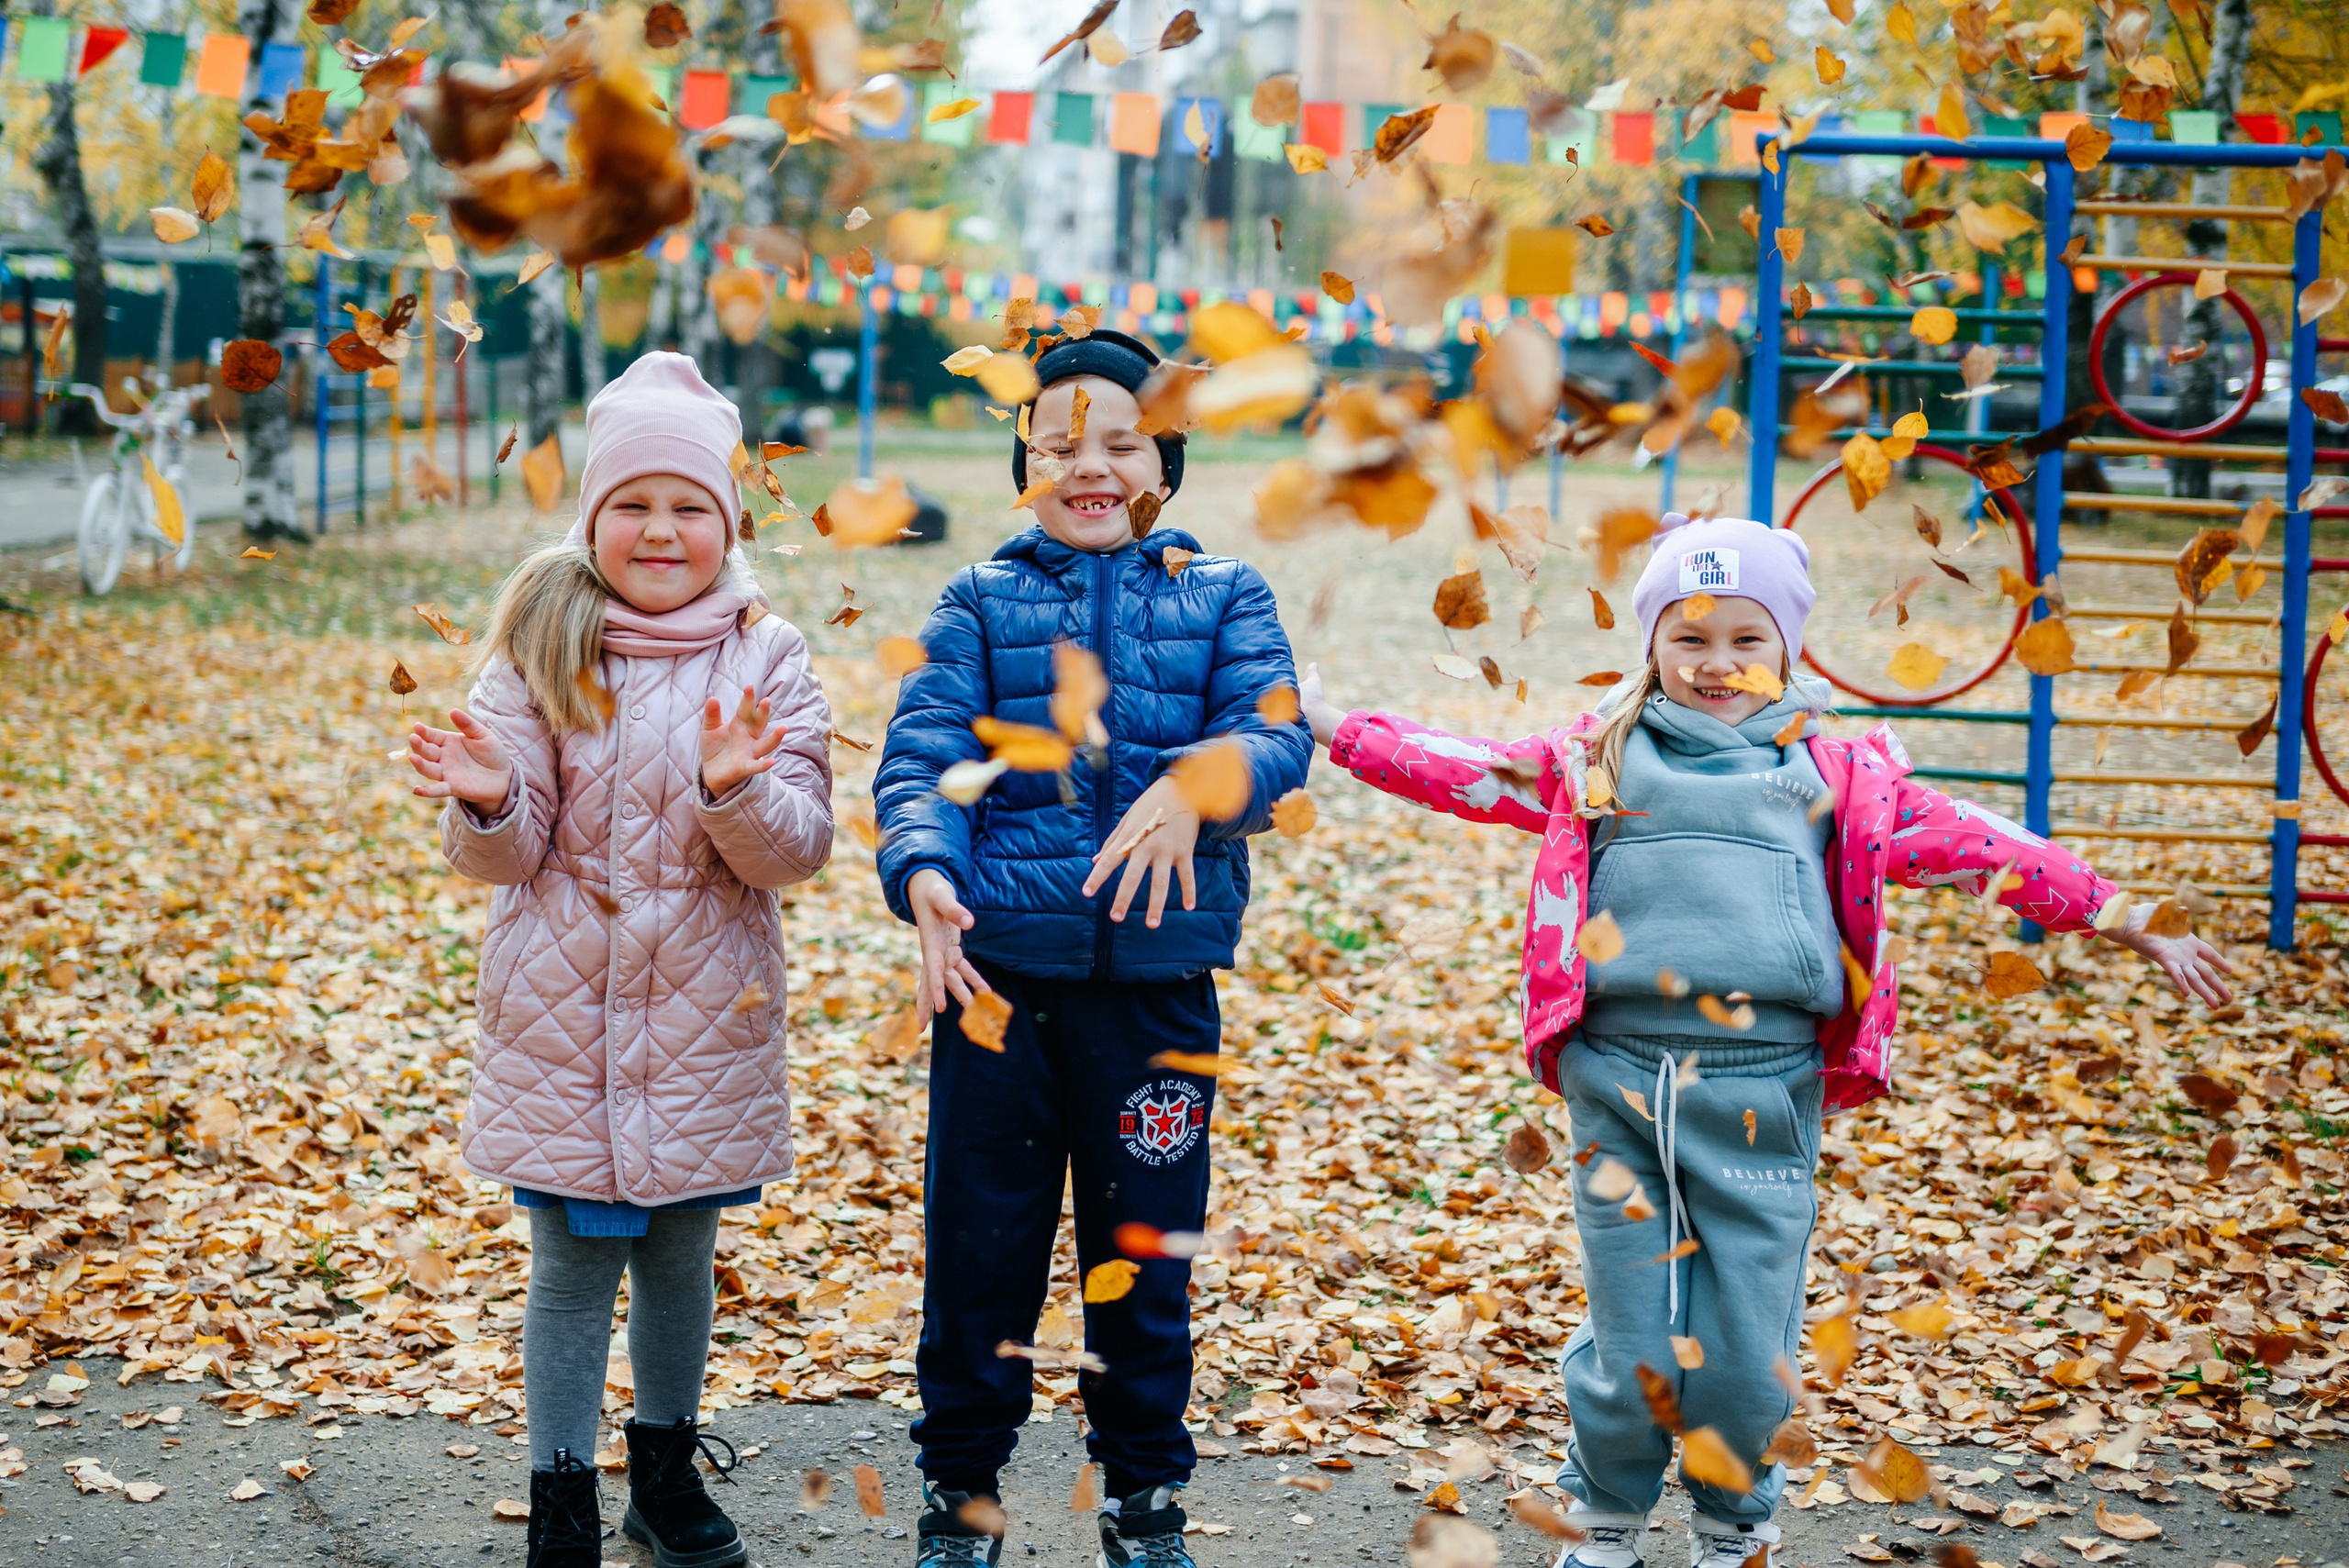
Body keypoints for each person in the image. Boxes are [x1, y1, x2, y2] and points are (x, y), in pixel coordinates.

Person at [1298, 512, 2232, 1568]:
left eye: (1746, 638)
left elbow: (1982, 844)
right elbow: (1463, 768)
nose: (1716, 662)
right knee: (1633, 1336)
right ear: (1650, 641)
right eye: (1688, 637)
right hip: (1619, 1078)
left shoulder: (1838, 774)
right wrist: (1334, 725)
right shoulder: (1598, 756)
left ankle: (1734, 1519)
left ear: (1786, 643)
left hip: (1759, 1088)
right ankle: (1605, 1514)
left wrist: (2118, 912)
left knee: (1744, 1350)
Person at [874, 329, 1313, 1568]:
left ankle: (1143, 1501)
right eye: (1060, 442)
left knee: (1144, 1259)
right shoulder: (978, 599)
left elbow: (1275, 729)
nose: (1091, 465)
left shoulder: (1223, 595)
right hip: (998, 991)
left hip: (1155, 998)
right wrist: (924, 876)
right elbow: (922, 766)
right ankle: (961, 1494)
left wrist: (1200, 781)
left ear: (1163, 459)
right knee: (979, 1254)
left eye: (1120, 442)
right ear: (1024, 460)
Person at [406, 352, 833, 1568]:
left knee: (681, 1259)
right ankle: (559, 1498)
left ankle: (662, 1471)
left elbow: (795, 853)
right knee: (570, 1268)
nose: (662, 529)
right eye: (633, 505)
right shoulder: (543, 641)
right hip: (562, 1018)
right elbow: (501, 859)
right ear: (595, 519)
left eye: (689, 505)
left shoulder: (769, 655)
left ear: (730, 519)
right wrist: (490, 805)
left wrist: (731, 791)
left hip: (705, 1015)